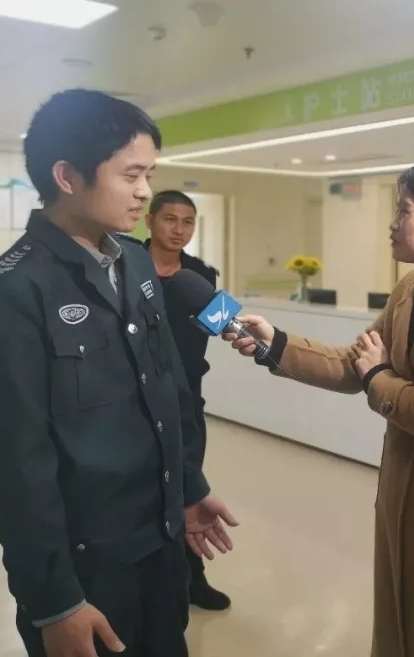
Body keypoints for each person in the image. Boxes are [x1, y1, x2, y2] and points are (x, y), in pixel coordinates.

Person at [0, 89, 238, 657]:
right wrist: (54, 600)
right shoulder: (9, 293)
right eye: (131, 175)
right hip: (88, 570)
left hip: (162, 543)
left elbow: (167, 388)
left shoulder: (135, 261)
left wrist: (189, 488)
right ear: (66, 176)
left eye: (149, 175)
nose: (145, 192)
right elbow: (14, 465)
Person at [227, 158, 414, 657]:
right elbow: (353, 364)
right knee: (403, 630)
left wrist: (378, 378)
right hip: (406, 496)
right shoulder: (410, 289)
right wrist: (275, 343)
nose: (393, 223)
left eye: (404, 210)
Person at [143, 190, 231, 610]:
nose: (179, 229)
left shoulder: (200, 274)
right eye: (170, 219)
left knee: (188, 485)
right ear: (149, 221)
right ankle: (149, 582)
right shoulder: (125, 265)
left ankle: (193, 578)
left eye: (188, 221)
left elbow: (220, 327)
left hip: (186, 396)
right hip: (134, 395)